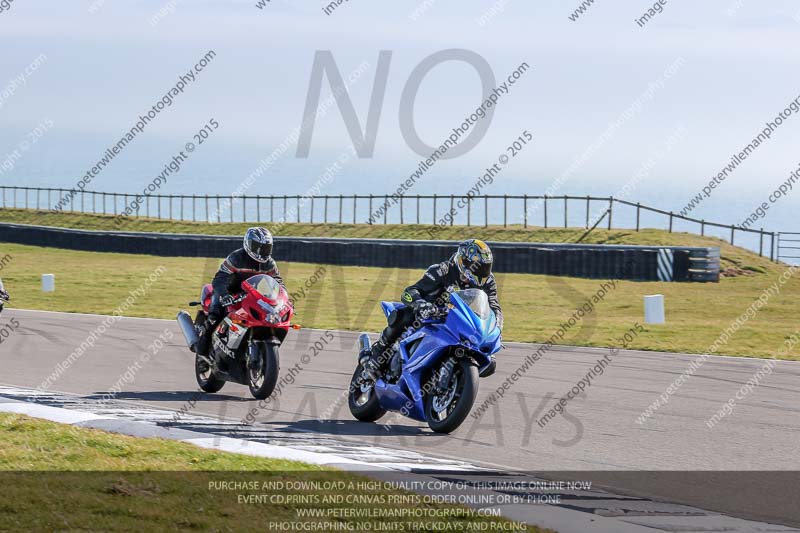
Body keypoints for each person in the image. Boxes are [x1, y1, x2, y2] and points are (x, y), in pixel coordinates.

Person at [360, 239, 503, 374]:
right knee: (402, 316)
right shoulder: (443, 270)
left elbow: (494, 307)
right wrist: (421, 304)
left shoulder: (488, 281)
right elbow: (409, 292)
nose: (482, 271)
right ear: (463, 262)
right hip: (429, 317)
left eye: (485, 267)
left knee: (489, 363)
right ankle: (376, 357)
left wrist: (496, 327)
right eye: (479, 266)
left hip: (459, 323)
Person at [192, 227, 284, 356]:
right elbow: (220, 278)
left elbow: (278, 282)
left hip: (250, 294)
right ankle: (204, 340)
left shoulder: (269, 264)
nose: (261, 251)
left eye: (265, 247)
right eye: (257, 246)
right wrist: (224, 295)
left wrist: (282, 300)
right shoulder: (236, 258)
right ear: (248, 244)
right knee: (215, 313)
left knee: (264, 316)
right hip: (229, 291)